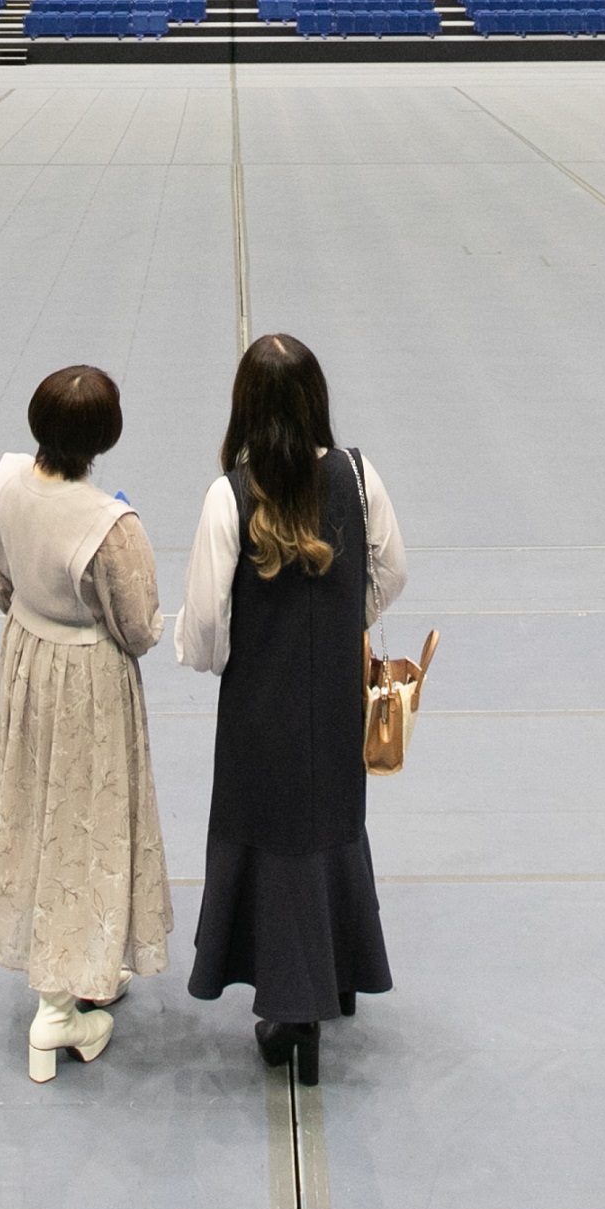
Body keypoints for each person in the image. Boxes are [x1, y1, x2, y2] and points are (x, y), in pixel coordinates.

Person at [177, 332, 408, 1083]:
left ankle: (288, 1006)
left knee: (267, 838)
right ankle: (333, 978)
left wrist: (217, 656)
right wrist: (346, 620)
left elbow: (205, 624)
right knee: (330, 827)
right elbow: (391, 571)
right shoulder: (359, 476)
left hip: (258, 709)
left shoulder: (229, 495)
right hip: (334, 702)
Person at [0, 363, 172, 1081]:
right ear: (104, 437)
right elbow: (140, 626)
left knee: (36, 810)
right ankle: (58, 1008)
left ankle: (81, 961)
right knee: (87, 823)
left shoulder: (5, 484)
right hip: (87, 681)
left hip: (26, 661)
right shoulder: (110, 525)